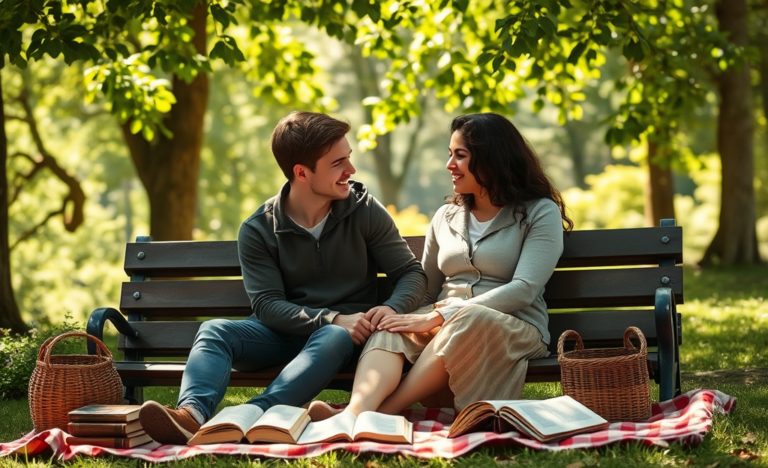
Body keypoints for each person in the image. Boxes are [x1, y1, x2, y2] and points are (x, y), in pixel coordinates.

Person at [138, 111, 427, 444]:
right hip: (282, 334)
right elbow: (266, 305)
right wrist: (332, 317)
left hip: (343, 341)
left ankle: (251, 414)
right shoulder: (259, 228)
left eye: (348, 158)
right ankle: (190, 416)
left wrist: (392, 307)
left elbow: (409, 273)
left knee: (333, 335)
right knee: (214, 330)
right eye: (338, 163)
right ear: (302, 172)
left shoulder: (363, 211)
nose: (351, 170)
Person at [309, 112, 574, 421]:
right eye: (450, 155)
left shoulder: (539, 212)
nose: (449, 165)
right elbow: (428, 290)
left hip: (514, 326)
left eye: (460, 156)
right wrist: (405, 315)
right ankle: (357, 410)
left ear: (492, 159)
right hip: (444, 323)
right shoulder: (445, 216)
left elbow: (525, 289)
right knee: (392, 324)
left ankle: (379, 415)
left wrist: (441, 315)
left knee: (468, 316)